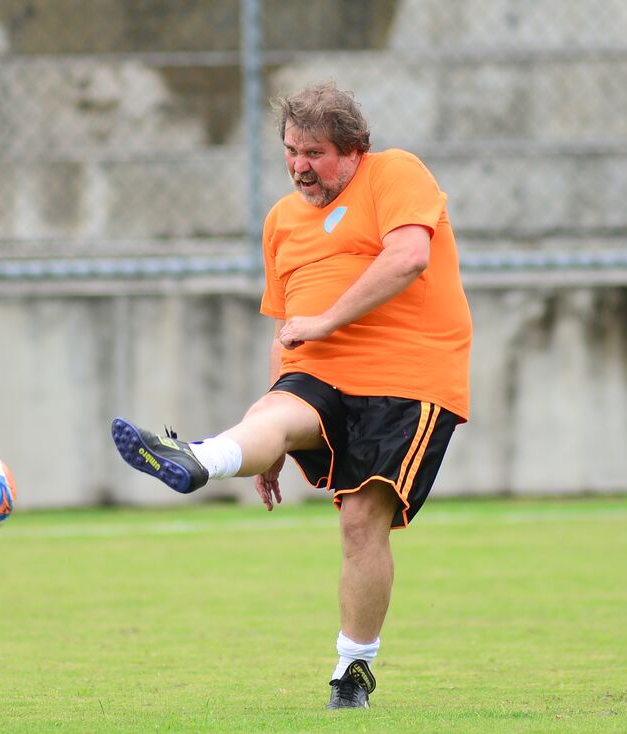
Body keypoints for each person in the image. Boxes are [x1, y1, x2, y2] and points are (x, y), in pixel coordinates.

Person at [111, 82, 472, 709]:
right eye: (290, 150)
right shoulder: (280, 221)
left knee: (361, 522)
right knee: (274, 414)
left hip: (409, 377)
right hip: (318, 373)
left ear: (356, 150)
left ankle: (352, 670)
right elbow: (286, 338)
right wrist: (264, 439)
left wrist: (327, 320)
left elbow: (410, 256)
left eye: (316, 153)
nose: (300, 166)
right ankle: (206, 456)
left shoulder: (396, 173)